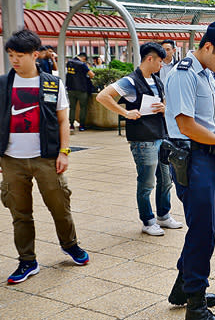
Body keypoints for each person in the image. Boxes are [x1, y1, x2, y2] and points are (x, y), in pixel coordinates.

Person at [0, 29, 89, 284]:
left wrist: (64, 152)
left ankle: (70, 245)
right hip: (11, 159)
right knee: (20, 213)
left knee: (60, 206)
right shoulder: (3, 83)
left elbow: (63, 121)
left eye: (19, 55)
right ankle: (27, 261)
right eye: (11, 55)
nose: (14, 60)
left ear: (34, 55)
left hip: (47, 158)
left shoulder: (51, 82)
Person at [164, 21, 215, 319]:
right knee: (202, 231)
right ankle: (195, 303)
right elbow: (185, 125)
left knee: (207, 228)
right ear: (207, 46)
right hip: (193, 159)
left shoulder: (207, 73)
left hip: (210, 159)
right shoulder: (184, 74)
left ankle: (184, 286)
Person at [96, 42, 182, 237]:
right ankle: (148, 220)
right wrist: (125, 112)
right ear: (149, 59)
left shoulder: (157, 80)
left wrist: (164, 107)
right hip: (143, 139)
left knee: (166, 179)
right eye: (160, 61)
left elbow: (165, 102)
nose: (162, 65)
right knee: (147, 182)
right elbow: (103, 96)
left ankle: (163, 215)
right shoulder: (130, 81)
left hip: (160, 135)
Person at [66, 52, 95, 131]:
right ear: (84, 58)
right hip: (81, 89)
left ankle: (71, 125)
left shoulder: (69, 62)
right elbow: (92, 75)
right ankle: (81, 125)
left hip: (70, 89)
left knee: (72, 108)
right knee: (83, 108)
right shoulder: (82, 64)